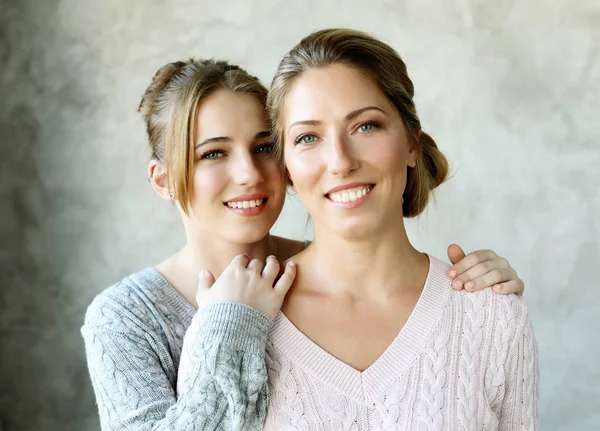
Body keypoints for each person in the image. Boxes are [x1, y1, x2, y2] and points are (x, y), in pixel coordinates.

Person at [82, 57, 527, 430]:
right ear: (163, 181)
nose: (249, 174)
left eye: (263, 148)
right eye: (213, 153)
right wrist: (230, 323)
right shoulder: (125, 319)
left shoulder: (324, 276)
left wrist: (479, 301)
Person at [256, 28, 538, 429]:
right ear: (287, 170)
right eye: (308, 137)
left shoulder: (491, 315)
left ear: (410, 143)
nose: (340, 161)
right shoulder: (243, 323)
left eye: (365, 126)